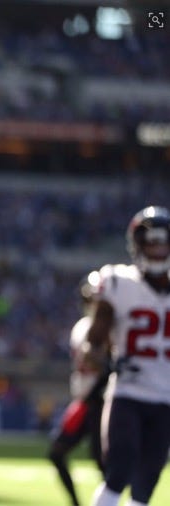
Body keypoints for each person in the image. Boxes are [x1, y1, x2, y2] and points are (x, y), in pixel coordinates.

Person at [89, 206, 170, 506]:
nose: (158, 250)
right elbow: (93, 342)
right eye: (151, 242)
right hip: (128, 392)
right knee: (118, 471)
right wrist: (106, 362)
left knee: (147, 483)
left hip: (165, 397)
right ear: (138, 245)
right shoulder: (118, 282)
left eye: (163, 242)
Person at [47, 271, 109, 506]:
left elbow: (109, 368)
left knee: (102, 462)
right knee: (57, 453)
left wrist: (94, 394)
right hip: (84, 401)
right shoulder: (81, 326)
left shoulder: (110, 329)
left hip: (100, 401)